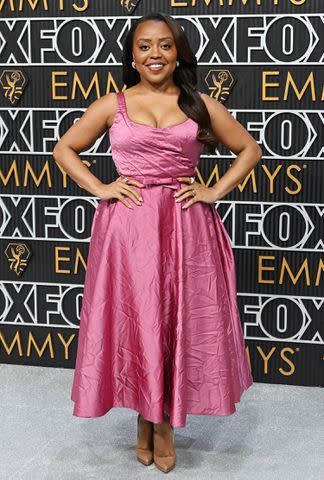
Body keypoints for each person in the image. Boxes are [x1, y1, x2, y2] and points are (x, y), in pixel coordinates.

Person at [53, 12, 261, 475]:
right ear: (132, 54)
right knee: (137, 321)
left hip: (186, 225)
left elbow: (248, 148)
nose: (154, 54)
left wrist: (212, 190)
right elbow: (65, 149)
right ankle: (148, 421)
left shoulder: (198, 104)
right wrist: (102, 187)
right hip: (127, 230)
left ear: (178, 53)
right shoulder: (113, 104)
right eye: (144, 46)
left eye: (165, 45)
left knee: (175, 319)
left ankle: (160, 425)